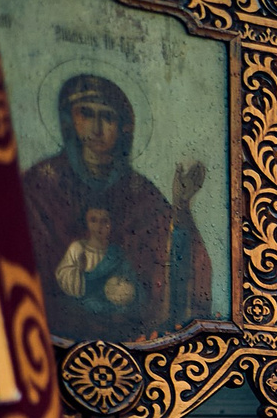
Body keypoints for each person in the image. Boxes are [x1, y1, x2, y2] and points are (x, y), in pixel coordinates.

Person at [26, 73, 212, 342]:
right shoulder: (42, 184)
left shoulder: (141, 193)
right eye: (86, 113)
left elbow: (170, 261)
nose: (96, 128)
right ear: (69, 120)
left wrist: (181, 207)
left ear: (124, 127)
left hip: (135, 345)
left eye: (108, 117)